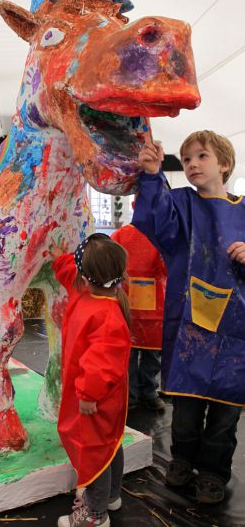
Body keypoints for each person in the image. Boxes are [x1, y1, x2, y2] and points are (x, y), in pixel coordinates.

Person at [133, 130, 245, 504]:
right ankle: (182, 459)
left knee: (225, 414)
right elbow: (154, 218)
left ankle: (213, 472)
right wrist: (151, 175)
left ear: (224, 164)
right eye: (186, 160)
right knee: (186, 407)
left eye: (202, 156)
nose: (193, 164)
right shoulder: (181, 204)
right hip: (190, 326)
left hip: (236, 332)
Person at [51, 233, 131, 527]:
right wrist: (60, 258)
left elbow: (101, 366)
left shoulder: (105, 314)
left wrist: (87, 395)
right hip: (102, 398)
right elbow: (70, 271)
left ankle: (96, 516)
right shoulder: (88, 291)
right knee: (110, 443)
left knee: (95, 450)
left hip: (95, 399)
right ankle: (111, 496)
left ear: (87, 278)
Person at [112, 220, 167, 411]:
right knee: (129, 353)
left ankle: (149, 392)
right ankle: (131, 395)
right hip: (127, 305)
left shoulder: (164, 234)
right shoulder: (121, 235)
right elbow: (111, 263)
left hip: (156, 307)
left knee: (152, 355)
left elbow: (174, 266)